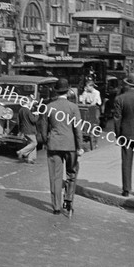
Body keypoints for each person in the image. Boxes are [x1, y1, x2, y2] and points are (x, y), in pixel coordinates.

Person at [45, 78, 84, 217]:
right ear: (68, 91)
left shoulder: (49, 107)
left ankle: (56, 206)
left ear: (56, 91)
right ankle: (68, 201)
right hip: (70, 145)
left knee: (55, 176)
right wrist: (80, 147)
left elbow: (44, 128)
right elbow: (78, 129)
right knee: (71, 174)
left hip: (54, 144)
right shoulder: (73, 107)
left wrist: (47, 141)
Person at [16, 95, 39, 164]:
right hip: (30, 130)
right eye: (30, 102)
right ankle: (22, 152)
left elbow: (18, 121)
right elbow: (33, 120)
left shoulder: (21, 110)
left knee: (30, 143)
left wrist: (20, 131)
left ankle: (31, 159)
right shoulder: (27, 111)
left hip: (24, 130)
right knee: (34, 143)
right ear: (28, 102)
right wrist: (37, 115)